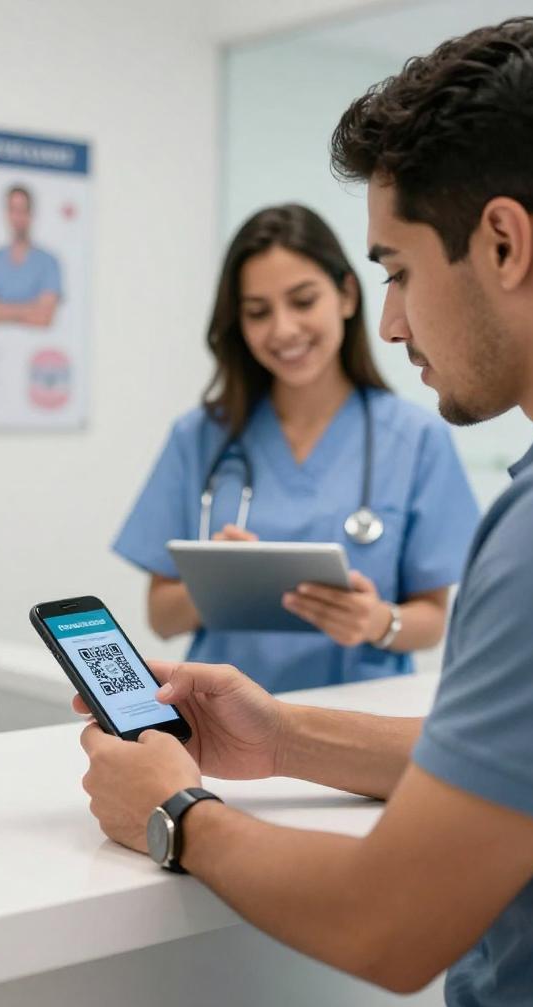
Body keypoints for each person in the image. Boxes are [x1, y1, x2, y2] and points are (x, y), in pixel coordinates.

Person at [79, 17, 533, 1007]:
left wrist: (174, 812)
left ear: (503, 242)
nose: (392, 323)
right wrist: (282, 737)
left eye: (396, 271)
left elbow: (388, 924)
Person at [114, 204, 479, 693]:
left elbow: (431, 620)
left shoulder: (416, 439)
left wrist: (373, 622)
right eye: (258, 312)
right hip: (222, 719)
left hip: (358, 718)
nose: (283, 330)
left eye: (303, 301)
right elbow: (161, 617)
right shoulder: (199, 437)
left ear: (347, 295)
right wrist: (219, 584)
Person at [0, 185, 61, 327]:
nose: (18, 217)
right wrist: (30, 308)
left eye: (22, 210)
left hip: (35, 347)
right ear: (7, 214)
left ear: (31, 214)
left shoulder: (48, 262)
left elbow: (44, 317)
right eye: (13, 210)